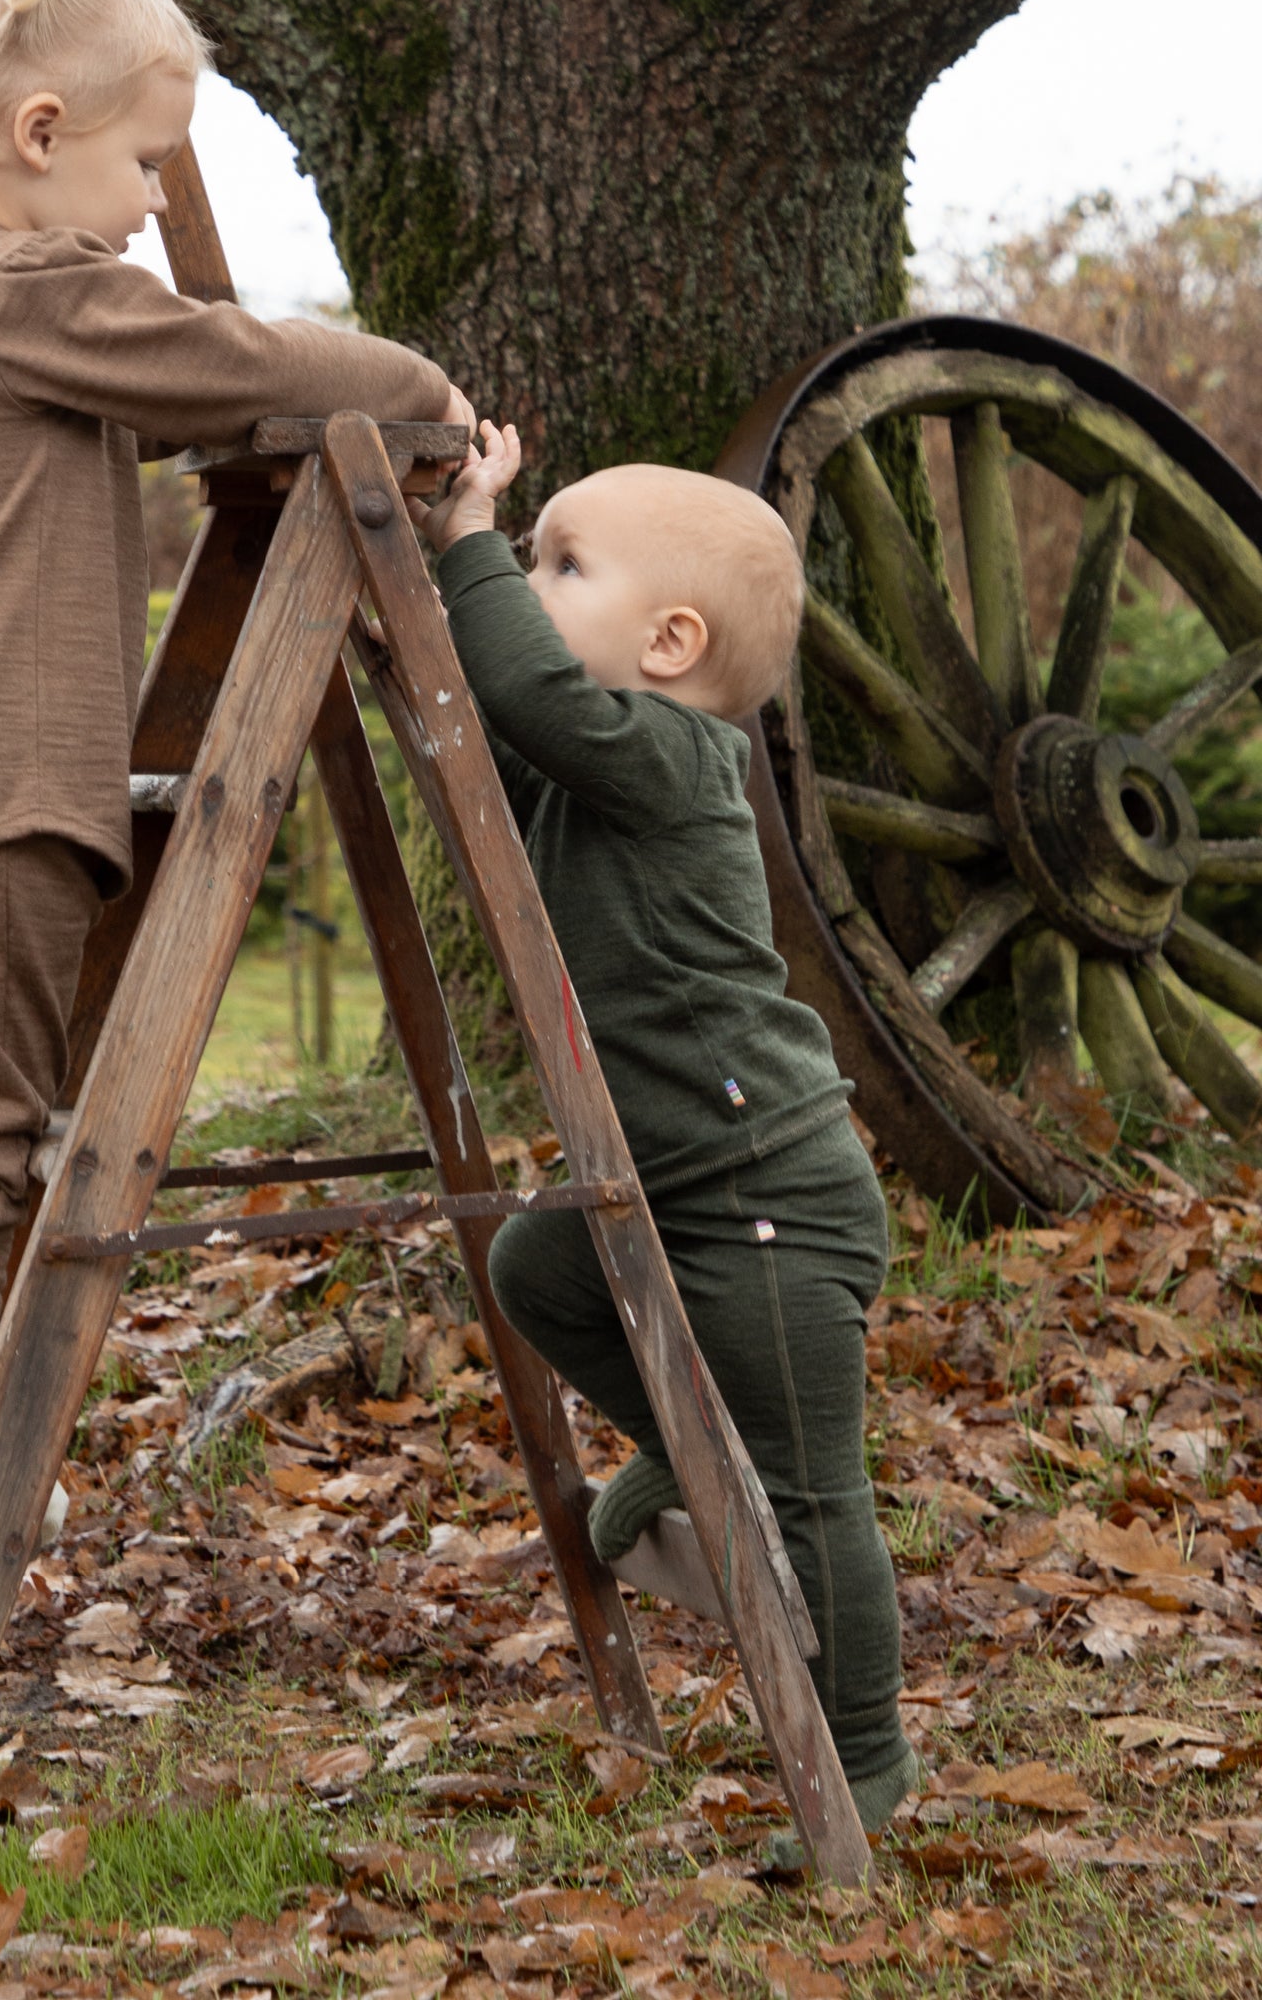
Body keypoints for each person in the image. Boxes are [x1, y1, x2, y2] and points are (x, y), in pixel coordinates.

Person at [0, 0, 465, 1523]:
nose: (159, 201)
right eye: (147, 161)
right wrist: (414, 386)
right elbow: (233, 361)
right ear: (41, 139)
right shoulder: (25, 288)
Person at [414, 424, 914, 1837]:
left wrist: (461, 545)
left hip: (768, 1188)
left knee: (818, 1497)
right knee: (536, 1273)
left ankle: (866, 1748)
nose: (521, 570)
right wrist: (404, 618)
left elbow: (522, 685)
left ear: (673, 640)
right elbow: (481, 726)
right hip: (672, 1180)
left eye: (559, 562)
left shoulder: (678, 757)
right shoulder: (593, 774)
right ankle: (686, 1453)